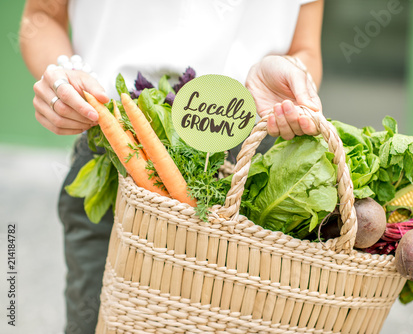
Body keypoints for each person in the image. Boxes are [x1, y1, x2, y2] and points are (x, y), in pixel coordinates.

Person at [20, 0, 324, 332]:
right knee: (99, 321)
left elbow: (305, 48)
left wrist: (292, 81)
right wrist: (62, 76)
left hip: (247, 156)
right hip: (119, 135)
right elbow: (41, 16)